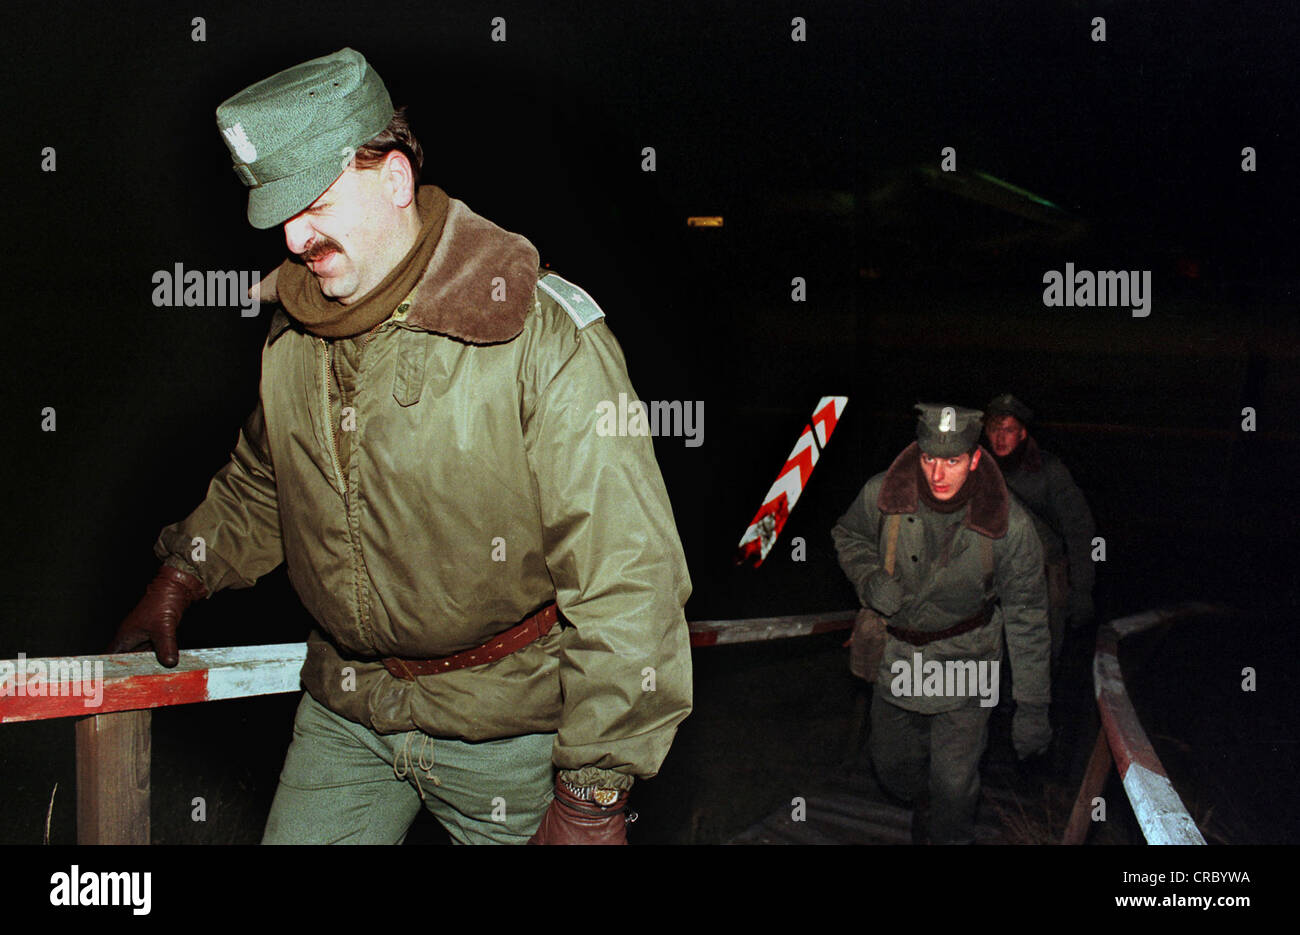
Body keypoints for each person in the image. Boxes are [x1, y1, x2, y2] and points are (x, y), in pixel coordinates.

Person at [107, 48, 693, 845]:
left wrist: (593, 793)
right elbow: (267, 476)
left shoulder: (536, 332)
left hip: (512, 725)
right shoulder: (297, 329)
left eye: (314, 199)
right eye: (277, 210)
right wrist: (185, 569)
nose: (293, 234)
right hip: (347, 711)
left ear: (394, 177)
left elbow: (629, 575)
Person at [831, 403, 1050, 843]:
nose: (937, 473)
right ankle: (922, 799)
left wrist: (1032, 706)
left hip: (968, 661)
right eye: (930, 459)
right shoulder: (882, 495)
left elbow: (1027, 613)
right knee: (892, 768)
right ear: (917, 453)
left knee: (954, 785)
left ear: (973, 459)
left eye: (952, 461)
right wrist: (870, 578)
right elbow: (848, 535)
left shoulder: (1011, 523)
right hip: (898, 658)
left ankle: (947, 832)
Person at [983, 393, 1097, 666]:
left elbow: (1084, 533)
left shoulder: (1049, 471)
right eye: (994, 429)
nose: (1000, 437)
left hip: (1044, 576)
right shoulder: (978, 469)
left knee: (1038, 657)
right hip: (994, 575)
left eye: (1008, 430)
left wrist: (1083, 589)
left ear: (1022, 433)